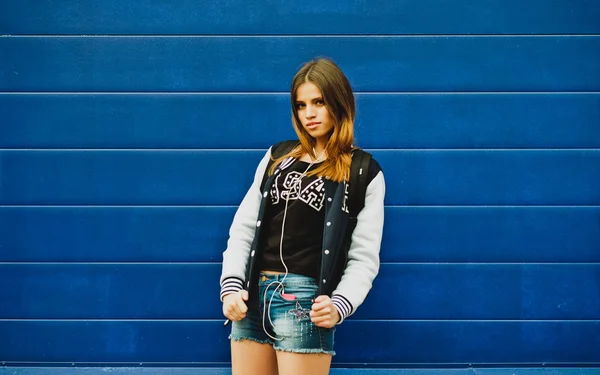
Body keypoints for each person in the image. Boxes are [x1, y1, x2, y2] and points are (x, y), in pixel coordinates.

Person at [219, 58, 385, 375]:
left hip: (303, 303)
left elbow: (364, 257)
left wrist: (340, 304)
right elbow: (242, 230)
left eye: (319, 102)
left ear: (339, 102)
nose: (309, 113)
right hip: (251, 298)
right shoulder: (277, 157)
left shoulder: (362, 171)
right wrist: (230, 287)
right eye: (301, 105)